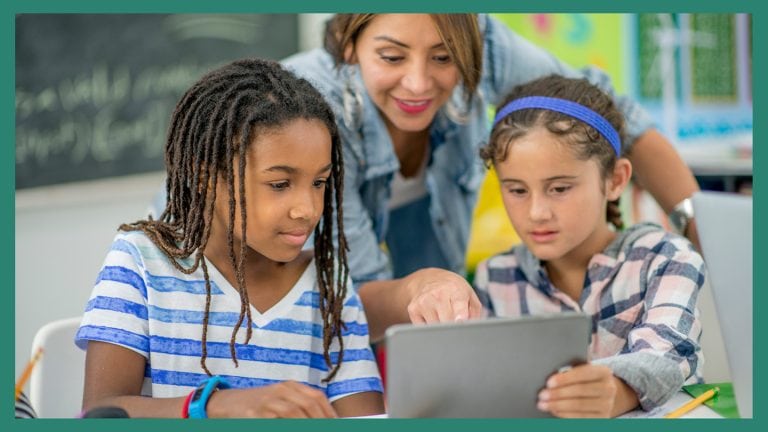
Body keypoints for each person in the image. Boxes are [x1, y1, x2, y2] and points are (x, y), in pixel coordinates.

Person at [281, 14, 702, 340]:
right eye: (392, 57)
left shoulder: (477, 37)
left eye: (444, 57)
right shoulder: (314, 112)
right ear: (350, 47)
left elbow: (612, 116)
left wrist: (704, 238)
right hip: (330, 297)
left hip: (424, 243)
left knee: (437, 330)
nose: (418, 83)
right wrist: (422, 290)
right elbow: (358, 296)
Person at [75, 58, 384, 418]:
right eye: (280, 184)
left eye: (319, 182)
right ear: (206, 177)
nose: (307, 208)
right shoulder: (139, 263)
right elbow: (99, 413)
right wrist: (217, 405)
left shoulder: (330, 285)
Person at [473, 75, 705, 417]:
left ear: (615, 180)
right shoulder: (495, 278)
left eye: (560, 188)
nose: (537, 213)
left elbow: (670, 353)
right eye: (517, 190)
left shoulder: (666, 258)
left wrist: (618, 389)